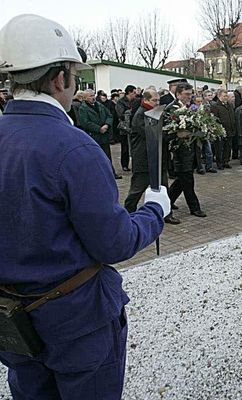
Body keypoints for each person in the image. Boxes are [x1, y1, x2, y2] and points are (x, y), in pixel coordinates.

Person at [0, 14, 170, 399]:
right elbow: (114, 243)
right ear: (60, 78)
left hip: (13, 321)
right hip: (75, 321)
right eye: (75, 75)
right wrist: (154, 212)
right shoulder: (74, 146)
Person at [123, 89, 180, 223]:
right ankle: (127, 212)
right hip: (144, 159)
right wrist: (174, 134)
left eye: (158, 100)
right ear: (146, 100)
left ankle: (166, 213)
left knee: (163, 188)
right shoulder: (141, 114)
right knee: (137, 189)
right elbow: (152, 134)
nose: (157, 103)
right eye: (154, 100)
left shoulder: (155, 112)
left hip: (158, 157)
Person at [165, 83, 207, 217]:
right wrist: (178, 134)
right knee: (187, 180)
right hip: (180, 151)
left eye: (190, 94)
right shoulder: (171, 108)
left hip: (192, 148)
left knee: (182, 180)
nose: (190, 97)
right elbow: (166, 130)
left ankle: (167, 201)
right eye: (186, 94)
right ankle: (194, 207)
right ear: (178, 94)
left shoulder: (192, 107)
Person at [79, 89, 122, 179]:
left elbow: (109, 115)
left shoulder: (99, 105)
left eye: (93, 95)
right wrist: (99, 129)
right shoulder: (83, 108)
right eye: (90, 96)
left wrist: (107, 125)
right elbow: (85, 122)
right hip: (94, 136)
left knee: (107, 156)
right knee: (95, 157)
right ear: (85, 98)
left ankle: (111, 173)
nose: (93, 97)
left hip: (104, 135)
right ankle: (98, 175)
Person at [211, 89, 236, 169]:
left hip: (230, 130)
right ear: (219, 96)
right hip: (221, 131)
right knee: (220, 148)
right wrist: (219, 128)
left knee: (228, 147)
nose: (226, 98)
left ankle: (226, 161)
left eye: (226, 96)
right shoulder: (215, 106)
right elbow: (215, 118)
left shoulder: (229, 105)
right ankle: (220, 163)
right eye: (224, 96)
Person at [115, 84, 136, 172]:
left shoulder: (135, 101)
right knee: (125, 148)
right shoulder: (121, 102)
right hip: (125, 128)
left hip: (133, 127)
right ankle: (124, 164)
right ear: (129, 92)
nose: (135, 94)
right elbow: (120, 114)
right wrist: (129, 112)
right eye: (134, 93)